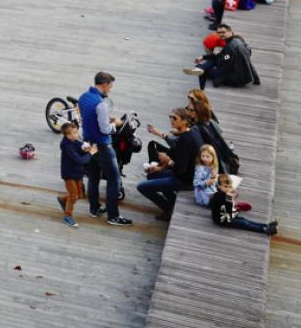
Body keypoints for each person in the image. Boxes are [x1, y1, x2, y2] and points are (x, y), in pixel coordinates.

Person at [78, 72, 133, 225]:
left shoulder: (83, 97)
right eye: (110, 86)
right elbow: (104, 130)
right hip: (102, 145)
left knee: (94, 176)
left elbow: (88, 119)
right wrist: (115, 124)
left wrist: (105, 119)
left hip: (90, 143)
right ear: (104, 85)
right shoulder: (101, 104)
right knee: (114, 179)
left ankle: (94, 208)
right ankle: (113, 216)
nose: (110, 89)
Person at [193, 146, 277, 234]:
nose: (228, 189)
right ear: (220, 187)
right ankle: (264, 229)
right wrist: (231, 200)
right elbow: (228, 212)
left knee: (244, 220)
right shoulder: (222, 196)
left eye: (229, 187)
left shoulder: (219, 193)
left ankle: (266, 225)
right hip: (223, 220)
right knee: (244, 223)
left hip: (226, 214)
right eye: (226, 187)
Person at [135, 109, 202, 219]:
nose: (171, 120)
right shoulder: (192, 132)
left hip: (185, 180)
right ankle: (173, 203)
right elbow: (179, 158)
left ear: (185, 121)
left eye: (175, 118)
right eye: (170, 117)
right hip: (187, 175)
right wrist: (160, 168)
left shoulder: (185, 140)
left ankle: (168, 208)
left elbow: (181, 169)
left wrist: (168, 161)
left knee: (141, 187)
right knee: (151, 175)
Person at [187, 27, 259, 89]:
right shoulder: (241, 44)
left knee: (206, 70)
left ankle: (200, 69)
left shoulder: (229, 50)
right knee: (215, 59)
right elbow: (249, 63)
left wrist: (217, 81)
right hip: (241, 75)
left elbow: (225, 69)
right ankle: (201, 67)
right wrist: (256, 79)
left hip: (235, 79)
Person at [58, 120, 93, 227]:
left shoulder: (75, 141)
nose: (77, 134)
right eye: (75, 133)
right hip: (69, 174)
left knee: (80, 195)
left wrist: (85, 148)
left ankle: (63, 199)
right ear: (68, 135)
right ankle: (67, 216)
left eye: (77, 131)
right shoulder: (67, 146)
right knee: (74, 196)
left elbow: (80, 147)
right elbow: (79, 160)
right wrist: (90, 153)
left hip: (77, 172)